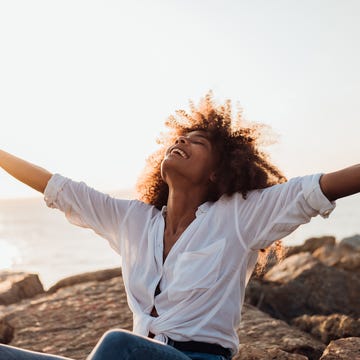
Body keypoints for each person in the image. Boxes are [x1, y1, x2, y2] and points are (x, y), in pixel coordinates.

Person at [0, 92, 359, 360]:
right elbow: (58, 188)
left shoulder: (241, 215)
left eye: (197, 141)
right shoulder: (132, 220)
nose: (182, 140)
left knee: (117, 343)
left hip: (195, 359)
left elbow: (323, 187)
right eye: (180, 138)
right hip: (138, 356)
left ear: (217, 171)